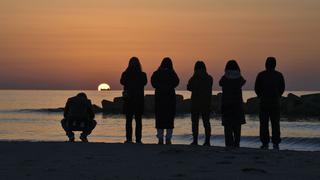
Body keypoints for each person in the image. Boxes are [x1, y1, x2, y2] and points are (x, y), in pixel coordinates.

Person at [255, 57, 285, 150]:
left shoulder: (261, 75)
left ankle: (265, 142)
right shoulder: (279, 75)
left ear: (266, 64)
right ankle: (275, 142)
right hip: (275, 102)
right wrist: (278, 95)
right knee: (275, 123)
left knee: (264, 124)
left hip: (264, 102)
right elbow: (282, 88)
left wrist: (260, 95)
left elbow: (257, 88)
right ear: (275, 65)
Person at [151, 57, 179, 145]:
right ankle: (168, 139)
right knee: (169, 120)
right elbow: (176, 82)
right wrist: (168, 86)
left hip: (159, 99)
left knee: (160, 119)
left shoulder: (156, 73)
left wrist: (160, 86)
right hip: (170, 99)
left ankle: (160, 138)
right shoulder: (172, 73)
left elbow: (153, 83)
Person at [219, 60, 246, 148]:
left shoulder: (225, 78)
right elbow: (243, 82)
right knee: (237, 127)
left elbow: (220, 83)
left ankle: (229, 145)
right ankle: (237, 144)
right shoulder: (239, 78)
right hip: (238, 105)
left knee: (228, 127)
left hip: (227, 104)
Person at [120, 57, 147, 144]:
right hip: (138, 100)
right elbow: (144, 82)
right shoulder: (142, 74)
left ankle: (129, 139)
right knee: (138, 120)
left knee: (129, 120)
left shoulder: (125, 74)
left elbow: (122, 82)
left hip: (129, 99)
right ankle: (138, 139)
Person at [187, 61, 213, 146]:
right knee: (206, 122)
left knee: (195, 123)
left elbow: (188, 87)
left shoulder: (194, 78)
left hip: (195, 102)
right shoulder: (209, 78)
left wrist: (194, 76)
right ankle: (207, 141)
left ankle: (195, 141)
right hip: (206, 102)